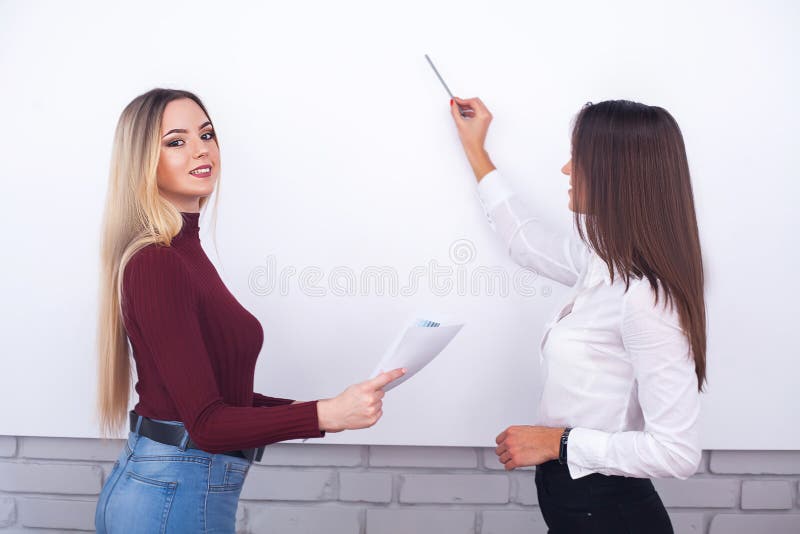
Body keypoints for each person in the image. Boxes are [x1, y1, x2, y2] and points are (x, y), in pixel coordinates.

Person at [93, 88, 405, 533]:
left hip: (175, 488)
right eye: (176, 141)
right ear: (142, 160)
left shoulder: (184, 253)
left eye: (207, 134)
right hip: (172, 495)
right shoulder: (158, 262)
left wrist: (330, 408)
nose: (202, 149)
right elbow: (206, 425)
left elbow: (219, 398)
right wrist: (324, 415)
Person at [449, 96, 706, 533]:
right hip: (579, 511)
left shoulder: (644, 298)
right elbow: (525, 242)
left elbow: (676, 452)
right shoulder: (602, 265)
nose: (566, 171)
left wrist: (559, 442)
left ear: (615, 174)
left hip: (610, 516)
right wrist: (476, 149)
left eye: (577, 159)